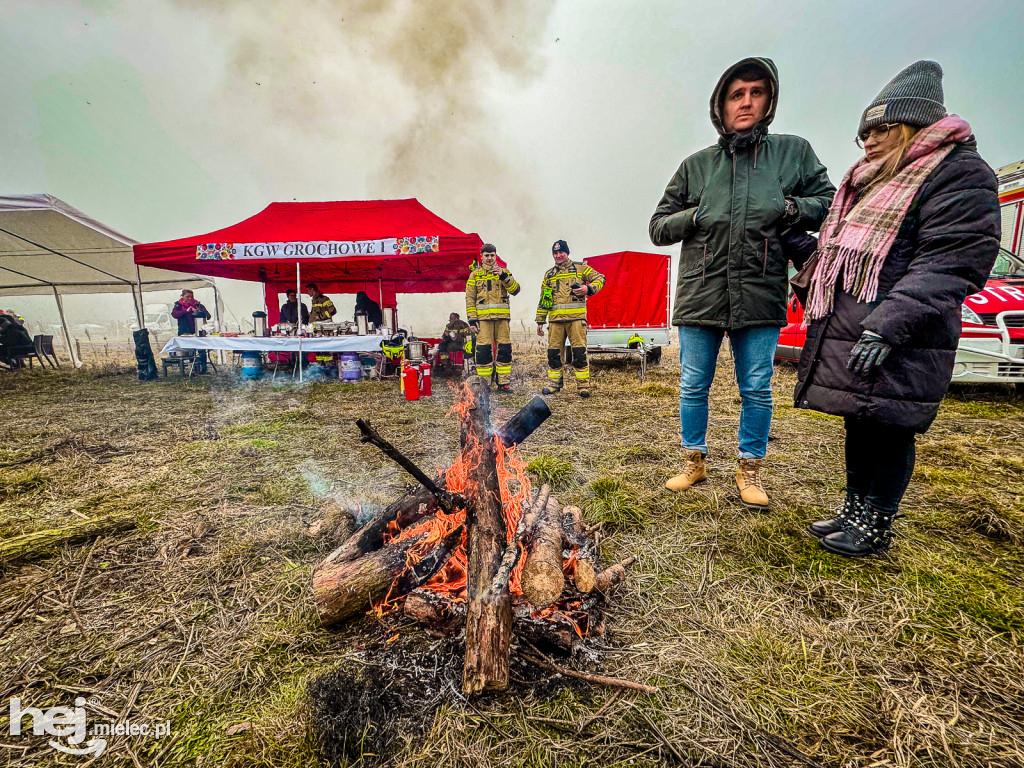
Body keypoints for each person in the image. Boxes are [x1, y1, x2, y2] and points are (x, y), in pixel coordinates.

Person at [788, 61, 1000, 557]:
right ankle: (854, 507)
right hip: (858, 328)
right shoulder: (874, 184)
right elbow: (841, 255)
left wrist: (887, 326)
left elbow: (952, 260)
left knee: (889, 426)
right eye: (865, 130)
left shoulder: (958, 173)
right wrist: (797, 241)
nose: (868, 140)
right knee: (860, 420)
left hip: (903, 333)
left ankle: (877, 520)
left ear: (914, 127)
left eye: (882, 129)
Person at [649, 57, 835, 508]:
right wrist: (694, 216)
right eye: (737, 94)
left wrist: (790, 208)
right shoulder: (697, 166)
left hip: (760, 289)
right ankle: (693, 460)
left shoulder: (793, 153)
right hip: (702, 294)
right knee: (694, 384)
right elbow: (657, 226)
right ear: (722, 105)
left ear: (769, 100)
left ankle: (750, 468)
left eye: (756, 92)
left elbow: (829, 201)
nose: (746, 102)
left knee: (757, 387)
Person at [535, 239, 605, 398]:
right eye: (555, 253)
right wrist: (540, 320)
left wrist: (588, 288)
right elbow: (544, 299)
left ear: (567, 253)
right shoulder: (549, 275)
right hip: (555, 322)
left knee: (579, 353)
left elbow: (601, 278)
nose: (558, 255)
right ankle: (554, 385)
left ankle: (582, 386)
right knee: (553, 354)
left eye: (561, 252)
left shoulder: (581, 268)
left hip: (576, 320)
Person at [466, 244, 520, 390]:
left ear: (495, 256)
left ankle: (504, 383)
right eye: (487, 255)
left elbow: (515, 290)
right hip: (483, 321)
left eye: (492, 255)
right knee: (483, 351)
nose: (490, 258)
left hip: (502, 319)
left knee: (504, 350)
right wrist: (472, 319)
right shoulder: (475, 275)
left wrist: (503, 276)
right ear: (481, 256)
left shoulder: (504, 272)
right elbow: (470, 298)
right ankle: (485, 384)